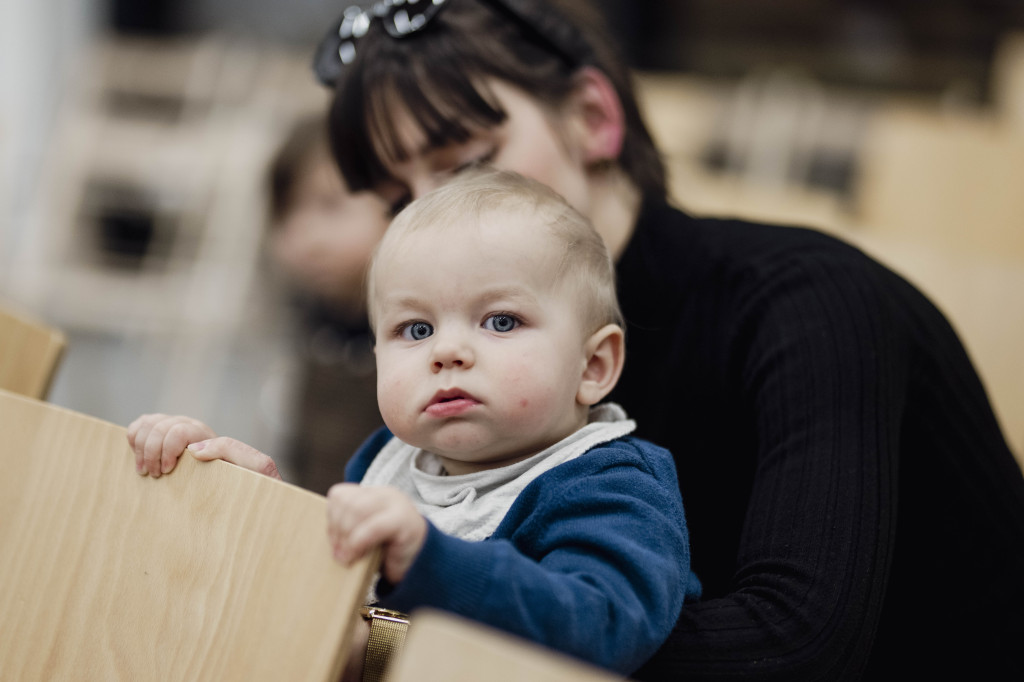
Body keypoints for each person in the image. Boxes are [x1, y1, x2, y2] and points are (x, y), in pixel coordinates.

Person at [307, 0, 1024, 678]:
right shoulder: (464, 361)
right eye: (398, 198)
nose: (435, 207)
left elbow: (794, 648)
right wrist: (249, 508)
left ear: (593, 117)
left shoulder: (811, 304)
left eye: (466, 161)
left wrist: (415, 637)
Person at [128, 168, 702, 676]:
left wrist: (430, 560)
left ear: (593, 365)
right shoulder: (386, 461)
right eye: (416, 330)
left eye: (501, 321)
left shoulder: (614, 484)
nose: (446, 351)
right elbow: (345, 610)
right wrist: (253, 504)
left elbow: (603, 630)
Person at [266, 114, 388, 492]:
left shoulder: (417, 335)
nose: (304, 235)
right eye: (286, 211)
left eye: (330, 206)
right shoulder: (311, 323)